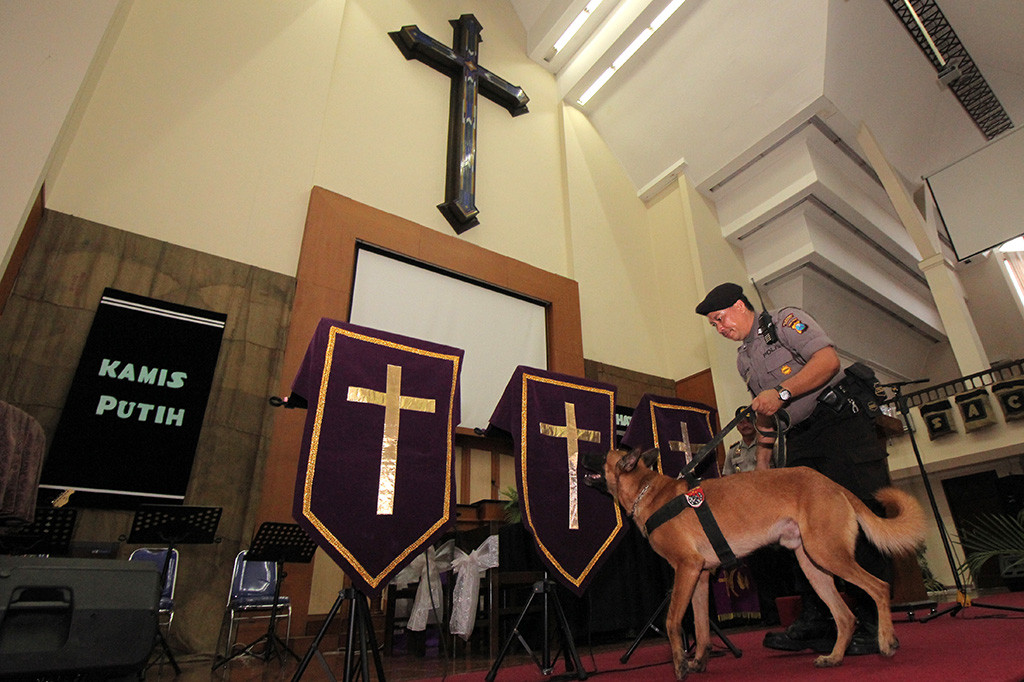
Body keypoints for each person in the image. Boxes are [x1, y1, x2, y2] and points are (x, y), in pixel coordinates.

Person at [695, 282, 892, 656]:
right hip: (798, 438)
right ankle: (818, 619)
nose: (719, 328)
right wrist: (763, 467)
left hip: (838, 428)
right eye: (713, 325)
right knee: (799, 531)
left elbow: (828, 361)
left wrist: (783, 392)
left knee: (858, 520)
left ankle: (871, 620)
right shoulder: (744, 359)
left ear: (739, 306)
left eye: (720, 319)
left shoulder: (786, 322)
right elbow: (766, 414)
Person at [722, 406, 781, 474]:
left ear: (756, 423)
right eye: (741, 422)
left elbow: (782, 470)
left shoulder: (768, 446)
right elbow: (727, 477)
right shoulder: (732, 452)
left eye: (749, 421)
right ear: (737, 427)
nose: (745, 425)